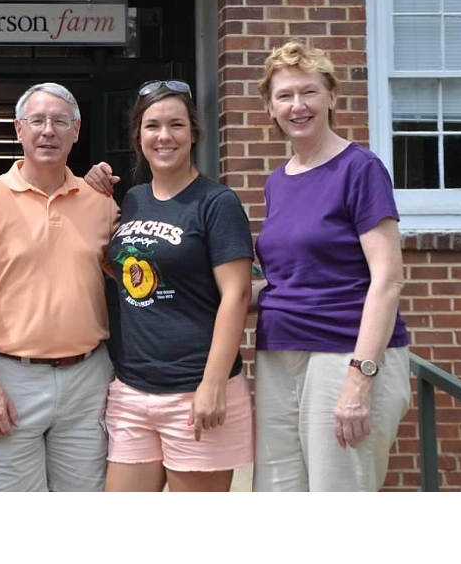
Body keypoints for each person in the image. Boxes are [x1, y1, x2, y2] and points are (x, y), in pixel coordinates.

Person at [0, 83, 120, 492]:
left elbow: (137, 277)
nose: (48, 131)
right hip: (10, 379)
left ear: (76, 131)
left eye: (60, 121)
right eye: (37, 120)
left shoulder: (100, 203)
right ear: (18, 129)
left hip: (87, 380)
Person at [252, 40, 410, 492]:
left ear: (332, 97)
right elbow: (289, 280)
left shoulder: (360, 169)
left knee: (337, 495)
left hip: (345, 353)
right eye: (284, 96)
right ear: (270, 106)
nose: (297, 106)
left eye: (309, 92)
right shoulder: (278, 182)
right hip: (280, 353)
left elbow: (388, 278)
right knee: (277, 493)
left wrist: (360, 380)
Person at [84, 81, 255, 492]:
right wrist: (89, 187)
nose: (164, 136)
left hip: (195, 390)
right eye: (152, 126)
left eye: (176, 125)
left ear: (193, 133)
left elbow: (237, 295)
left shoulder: (217, 203)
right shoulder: (135, 199)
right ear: (138, 136)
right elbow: (121, 268)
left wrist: (212, 383)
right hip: (131, 389)